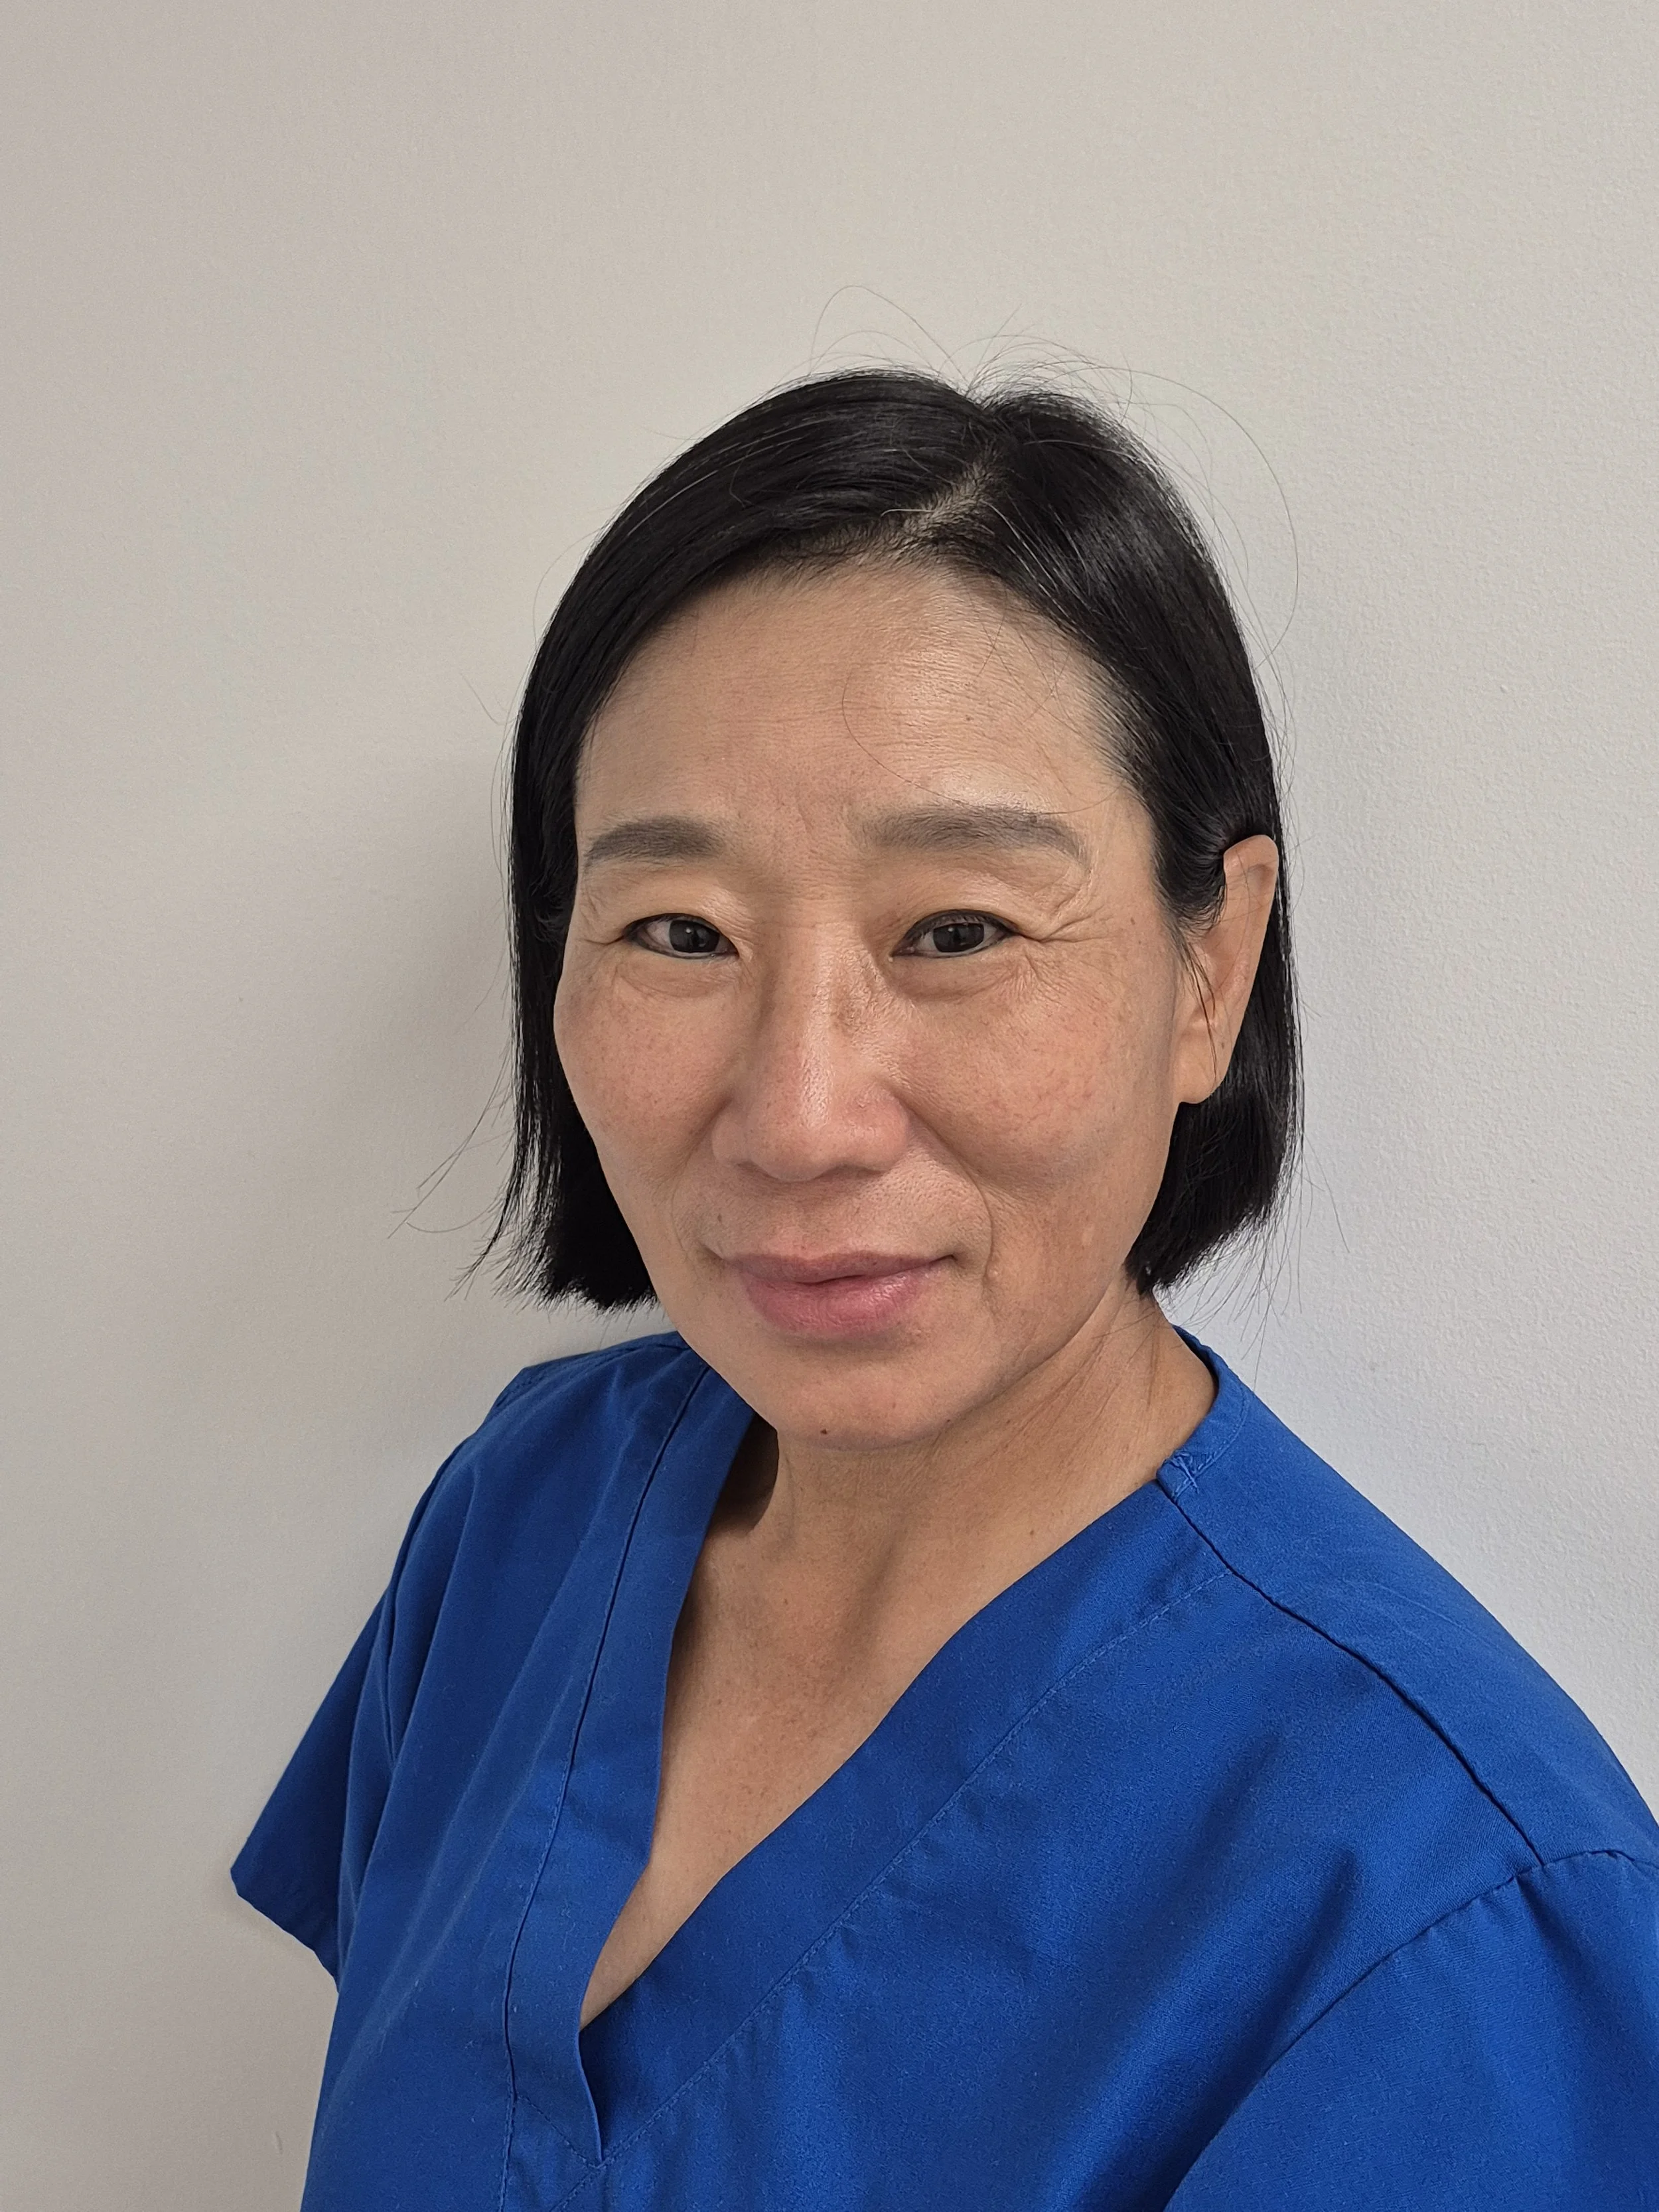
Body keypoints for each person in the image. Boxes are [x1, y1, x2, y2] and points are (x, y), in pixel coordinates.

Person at [233, 369, 1659, 2209]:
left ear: (1208, 965)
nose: (800, 1113)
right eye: (678, 932)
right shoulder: (522, 1519)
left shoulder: (1442, 1907)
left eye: (957, 930)